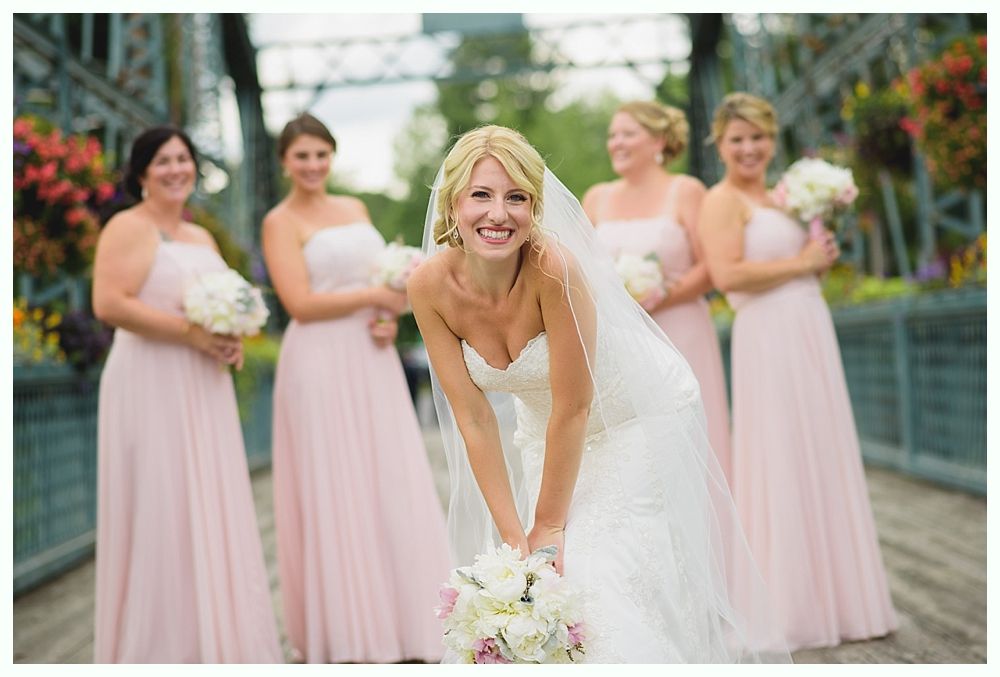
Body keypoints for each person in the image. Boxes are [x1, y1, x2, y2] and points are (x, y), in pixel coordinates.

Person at [408, 125, 790, 663]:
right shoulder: (428, 286)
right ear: (451, 205)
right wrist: (514, 536)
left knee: (600, 566)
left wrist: (548, 525)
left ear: (535, 207)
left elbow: (576, 405)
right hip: (549, 432)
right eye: (482, 195)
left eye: (517, 197)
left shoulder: (552, 268)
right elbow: (472, 418)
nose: (499, 214)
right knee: (538, 572)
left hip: (638, 414)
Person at [697, 92, 898, 651]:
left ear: (772, 139)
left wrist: (818, 252)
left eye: (758, 136)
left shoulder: (784, 196)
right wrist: (800, 263)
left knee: (823, 447)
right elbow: (728, 274)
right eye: (737, 139)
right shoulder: (721, 200)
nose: (749, 148)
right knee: (782, 453)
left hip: (810, 325)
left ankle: (844, 598)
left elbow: (792, 263)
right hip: (767, 336)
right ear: (720, 144)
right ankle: (790, 607)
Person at [262, 113, 450, 664]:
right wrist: (376, 293)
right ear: (284, 162)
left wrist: (391, 311)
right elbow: (300, 303)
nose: (313, 165)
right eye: (302, 156)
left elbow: (386, 294)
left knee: (388, 474)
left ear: (332, 156)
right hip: (318, 362)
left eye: (321, 154)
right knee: (335, 479)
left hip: (372, 358)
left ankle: (407, 618)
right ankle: (350, 629)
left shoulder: (356, 209)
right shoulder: (280, 220)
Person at [92, 126, 281, 663]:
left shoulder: (200, 237)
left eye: (183, 159)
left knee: (207, 498)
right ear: (141, 173)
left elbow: (219, 303)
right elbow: (109, 304)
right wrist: (193, 335)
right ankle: (161, 650)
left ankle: (215, 641)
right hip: (149, 381)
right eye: (162, 161)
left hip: (203, 384)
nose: (176, 169)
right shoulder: (127, 228)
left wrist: (231, 340)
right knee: (161, 502)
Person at [584, 100, 732, 481]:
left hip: (681, 331)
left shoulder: (686, 191)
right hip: (620, 339)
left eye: (628, 134)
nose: (616, 142)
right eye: (612, 135)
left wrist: (659, 295)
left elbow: (710, 266)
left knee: (688, 435)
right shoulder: (596, 198)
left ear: (659, 141)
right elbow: (579, 270)